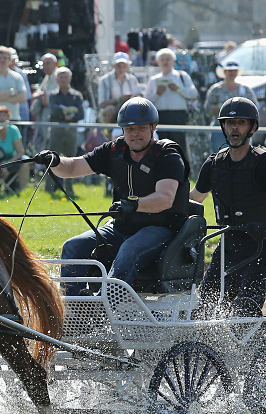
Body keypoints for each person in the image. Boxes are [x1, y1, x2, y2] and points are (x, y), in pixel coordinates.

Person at [35, 98, 191, 295]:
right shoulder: (114, 151)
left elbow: (165, 198)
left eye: (141, 128)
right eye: (129, 129)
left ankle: (105, 309)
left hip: (161, 229)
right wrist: (55, 161)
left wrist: (133, 204)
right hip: (121, 227)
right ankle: (73, 310)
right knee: (73, 247)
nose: (135, 134)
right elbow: (73, 167)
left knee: (128, 250)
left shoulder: (168, 155)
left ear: (153, 127)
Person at [189, 97, 266, 318]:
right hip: (226, 247)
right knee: (202, 312)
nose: (235, 127)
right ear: (223, 126)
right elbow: (194, 200)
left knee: (244, 312)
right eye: (229, 123)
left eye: (241, 123)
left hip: (259, 248)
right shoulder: (214, 164)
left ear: (253, 127)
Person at [146, 48, 198, 152]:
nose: (165, 62)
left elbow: (194, 94)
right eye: (162, 59)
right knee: (160, 148)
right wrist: (157, 94)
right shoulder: (153, 80)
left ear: (173, 61)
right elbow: (146, 103)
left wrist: (178, 89)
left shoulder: (182, 76)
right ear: (158, 62)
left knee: (179, 146)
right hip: (160, 117)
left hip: (178, 116)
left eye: (168, 59)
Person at [204, 60, 258, 155]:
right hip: (220, 127)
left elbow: (254, 108)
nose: (232, 73)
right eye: (229, 71)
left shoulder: (245, 89)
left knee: (244, 155)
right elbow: (207, 110)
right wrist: (223, 106)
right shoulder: (215, 89)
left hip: (242, 127)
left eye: (234, 70)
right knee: (219, 156)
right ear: (224, 72)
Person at [45, 67, 84, 195]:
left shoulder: (77, 95)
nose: (63, 79)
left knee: (71, 161)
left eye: (65, 77)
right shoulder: (52, 95)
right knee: (51, 160)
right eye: (60, 77)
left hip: (72, 131)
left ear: (70, 79)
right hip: (56, 131)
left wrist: (64, 112)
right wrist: (71, 111)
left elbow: (81, 114)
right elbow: (53, 111)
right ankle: (49, 189)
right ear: (56, 79)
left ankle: (69, 190)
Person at [0, 105, 30, 193]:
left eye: (4, 115)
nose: (2, 118)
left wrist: (7, 164)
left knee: (26, 160)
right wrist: (0, 164)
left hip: (11, 161)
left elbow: (20, 151)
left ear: (9, 117)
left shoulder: (14, 130)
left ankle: (22, 191)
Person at [0, 46, 28, 121]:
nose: (2, 60)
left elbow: (23, 98)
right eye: (0, 58)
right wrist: (13, 92)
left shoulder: (17, 76)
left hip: (14, 119)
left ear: (10, 60)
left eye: (5, 58)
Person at [97, 52, 141, 125]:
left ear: (128, 66)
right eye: (119, 66)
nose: (121, 69)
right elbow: (102, 104)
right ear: (113, 65)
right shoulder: (105, 80)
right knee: (110, 109)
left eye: (124, 66)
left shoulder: (133, 79)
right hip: (113, 112)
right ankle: (108, 134)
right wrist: (119, 99)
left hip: (129, 110)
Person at [30, 53, 59, 152]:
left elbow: (47, 100)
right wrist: (42, 95)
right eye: (43, 64)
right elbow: (34, 95)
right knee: (40, 140)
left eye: (48, 63)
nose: (45, 66)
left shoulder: (58, 76)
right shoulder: (47, 78)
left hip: (52, 116)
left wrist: (41, 95)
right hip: (42, 116)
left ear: (55, 64)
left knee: (49, 142)